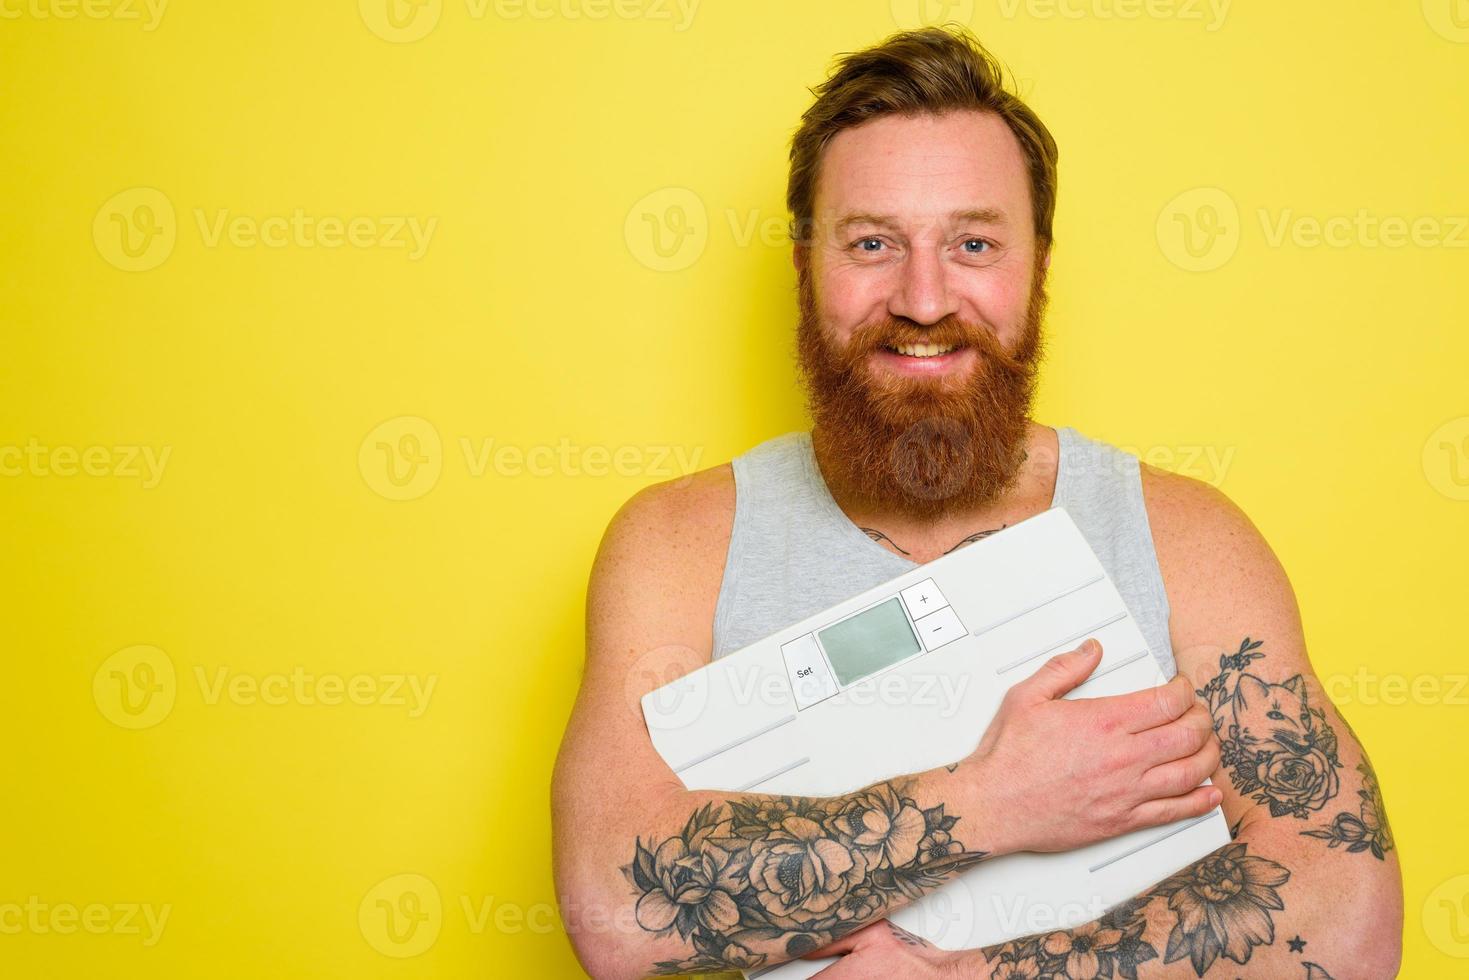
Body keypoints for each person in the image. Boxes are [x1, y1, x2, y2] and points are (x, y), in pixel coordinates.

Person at [551, 25, 1402, 979]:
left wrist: (966, 976)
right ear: (803, 267)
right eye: (871, 242)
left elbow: (1346, 917)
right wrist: (987, 802)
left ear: (1038, 264)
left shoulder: (1187, 540)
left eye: (972, 242)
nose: (922, 297)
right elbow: (617, 913)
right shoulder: (676, 547)